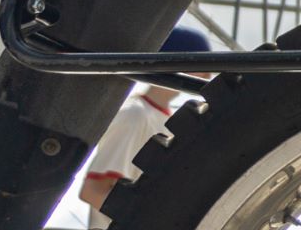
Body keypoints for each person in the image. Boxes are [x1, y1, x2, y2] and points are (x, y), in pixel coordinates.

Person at [78, 27, 210, 213]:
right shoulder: (134, 116)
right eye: (200, 67)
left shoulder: (163, 120)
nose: (207, 76)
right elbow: (93, 191)